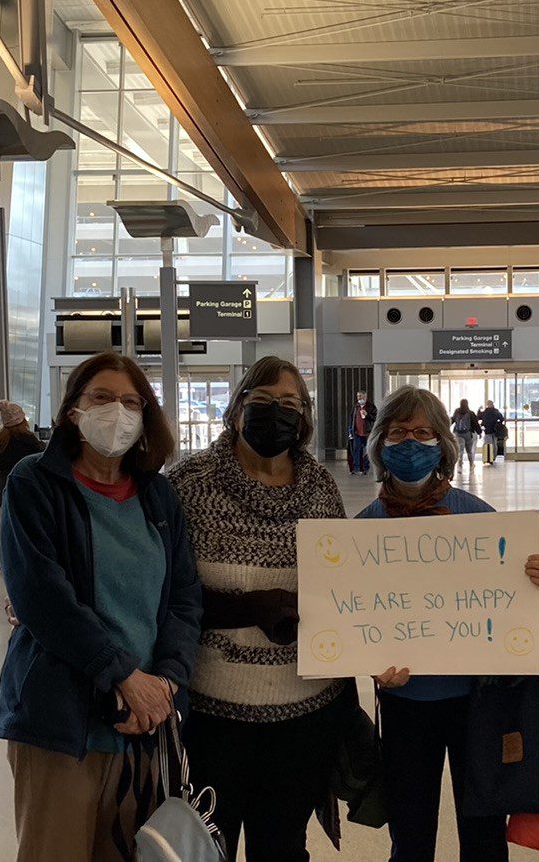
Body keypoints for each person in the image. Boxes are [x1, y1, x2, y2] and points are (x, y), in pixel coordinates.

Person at [0, 351, 202, 862]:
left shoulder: (157, 495)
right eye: (102, 398)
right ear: (72, 411)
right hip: (63, 724)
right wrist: (122, 675)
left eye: (132, 402)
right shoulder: (34, 484)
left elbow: (182, 598)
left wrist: (166, 683)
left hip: (144, 724)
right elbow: (43, 598)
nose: (118, 412)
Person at [358, 385, 539, 862]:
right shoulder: (362, 531)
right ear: (380, 443)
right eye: (399, 432)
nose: (410, 442)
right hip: (406, 702)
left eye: (424, 432)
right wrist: (368, 660)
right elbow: (354, 620)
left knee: (484, 831)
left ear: (443, 441)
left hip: (477, 701)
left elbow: (519, 612)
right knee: (410, 833)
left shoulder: (479, 519)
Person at [175, 356, 353, 861]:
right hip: (212, 714)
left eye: (290, 404)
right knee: (212, 845)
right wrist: (252, 607)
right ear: (236, 410)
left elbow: (348, 586)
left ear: (305, 418)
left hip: (303, 714)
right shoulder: (190, 482)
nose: (276, 413)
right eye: (262, 402)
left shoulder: (320, 487)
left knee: (283, 847)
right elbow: (166, 588)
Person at [0, 399, 45, 488]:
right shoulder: (29, 438)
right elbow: (41, 453)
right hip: (26, 481)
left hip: (5, 483)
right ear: (22, 419)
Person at [348, 389, 376, 476]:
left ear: (365, 396)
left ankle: (365, 468)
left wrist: (367, 414)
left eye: (361, 396)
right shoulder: (356, 407)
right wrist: (350, 430)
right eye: (358, 396)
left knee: (367, 451)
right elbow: (351, 419)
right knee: (356, 450)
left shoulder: (371, 406)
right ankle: (356, 468)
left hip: (367, 433)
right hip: (356, 433)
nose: (359, 398)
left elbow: (375, 418)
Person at [450, 399, 479, 475]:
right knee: (469, 451)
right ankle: (471, 465)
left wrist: (446, 426)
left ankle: (459, 467)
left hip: (458, 433)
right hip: (467, 434)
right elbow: (475, 423)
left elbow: (453, 420)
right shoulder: (470, 413)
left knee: (460, 451)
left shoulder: (457, 411)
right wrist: (479, 432)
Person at [478, 400, 506, 464]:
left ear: (487, 404)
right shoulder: (496, 411)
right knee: (494, 444)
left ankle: (487, 458)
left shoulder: (485, 412)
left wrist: (479, 410)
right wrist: (498, 423)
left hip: (487, 430)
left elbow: (479, 417)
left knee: (488, 444)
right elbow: (502, 418)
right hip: (495, 430)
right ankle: (493, 457)